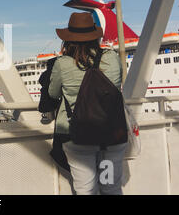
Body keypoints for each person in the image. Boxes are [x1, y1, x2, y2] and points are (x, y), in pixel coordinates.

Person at [48, 12, 127, 195]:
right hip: (111, 134)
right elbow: (116, 85)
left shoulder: (62, 63)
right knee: (111, 187)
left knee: (85, 188)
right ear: (94, 36)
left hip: (78, 135)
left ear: (68, 39)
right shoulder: (112, 57)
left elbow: (53, 93)